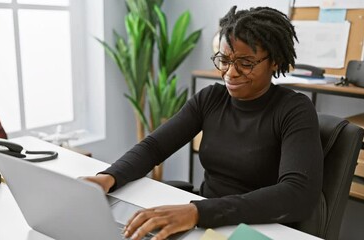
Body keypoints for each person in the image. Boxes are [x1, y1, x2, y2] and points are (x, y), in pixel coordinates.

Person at [83, 5, 323, 240]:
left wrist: (198, 212)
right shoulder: (211, 98)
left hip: (259, 227)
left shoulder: (294, 109)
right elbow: (155, 146)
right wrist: (109, 177)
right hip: (206, 221)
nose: (230, 72)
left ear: (275, 61)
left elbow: (298, 193)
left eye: (245, 63)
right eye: (224, 60)